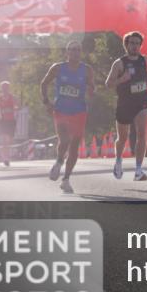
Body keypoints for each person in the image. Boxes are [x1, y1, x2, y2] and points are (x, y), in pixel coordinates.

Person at [40, 41, 95, 193]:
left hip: (79, 111)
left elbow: (92, 86)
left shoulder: (87, 70)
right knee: (64, 140)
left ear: (81, 52)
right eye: (72, 50)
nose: (75, 52)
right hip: (61, 110)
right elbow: (44, 83)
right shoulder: (58, 68)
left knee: (74, 146)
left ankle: (66, 179)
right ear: (67, 52)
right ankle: (58, 162)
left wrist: (91, 91)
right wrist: (46, 102)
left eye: (78, 50)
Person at [105, 31, 147, 181]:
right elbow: (108, 84)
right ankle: (118, 161)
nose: (135, 46)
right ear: (126, 44)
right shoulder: (119, 63)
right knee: (122, 138)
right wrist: (122, 78)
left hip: (141, 102)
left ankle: (138, 170)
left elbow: (146, 75)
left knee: (142, 134)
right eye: (132, 43)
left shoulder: (143, 60)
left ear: (140, 45)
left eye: (137, 43)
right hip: (125, 104)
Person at [0, 81, 19, 167]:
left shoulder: (12, 97)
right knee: (5, 140)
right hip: (3, 121)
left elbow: (17, 106)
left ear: (8, 88)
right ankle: (5, 158)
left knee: (9, 141)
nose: (5, 89)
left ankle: (5, 155)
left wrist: (15, 109)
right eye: (3, 87)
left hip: (11, 120)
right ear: (1, 89)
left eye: (6, 87)